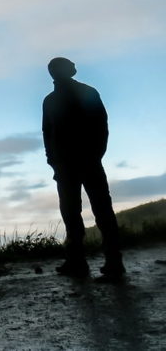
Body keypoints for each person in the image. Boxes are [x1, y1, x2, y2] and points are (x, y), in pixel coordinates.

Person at [42, 57, 124, 280]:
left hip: (82, 162)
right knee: (77, 213)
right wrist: (53, 159)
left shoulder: (80, 93)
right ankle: (83, 261)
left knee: (95, 211)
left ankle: (108, 262)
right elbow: (47, 132)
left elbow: (101, 125)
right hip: (71, 164)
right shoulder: (53, 100)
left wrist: (95, 154)